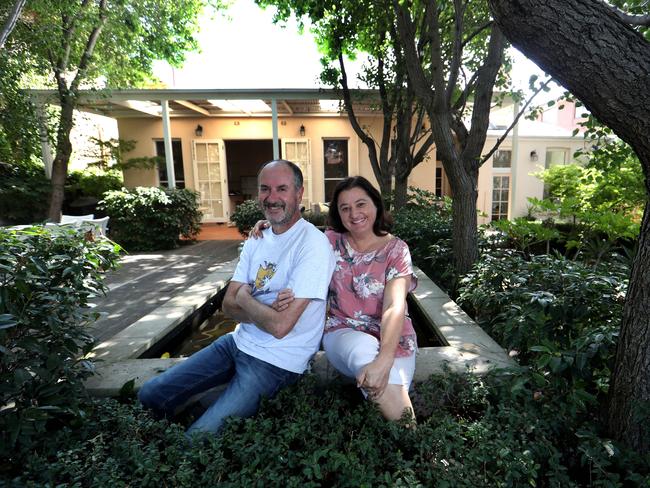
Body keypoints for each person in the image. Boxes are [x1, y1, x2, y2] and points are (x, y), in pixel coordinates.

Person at [138, 160, 335, 436]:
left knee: (197, 441)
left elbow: (280, 327)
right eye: (265, 189)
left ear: (299, 194)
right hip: (235, 343)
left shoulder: (312, 245)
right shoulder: (258, 236)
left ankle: (199, 419)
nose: (272, 197)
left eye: (282, 189)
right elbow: (228, 304)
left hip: (277, 363)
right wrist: (259, 308)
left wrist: (246, 297)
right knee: (150, 394)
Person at [253, 176, 417, 421]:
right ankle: (418, 445)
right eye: (345, 208)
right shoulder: (328, 242)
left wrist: (384, 360)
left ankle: (405, 440)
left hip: (395, 337)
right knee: (364, 352)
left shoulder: (396, 250)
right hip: (343, 332)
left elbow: (394, 306)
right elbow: (293, 234)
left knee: (392, 385)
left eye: (361, 204)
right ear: (338, 214)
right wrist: (270, 229)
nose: (354, 213)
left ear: (376, 205)